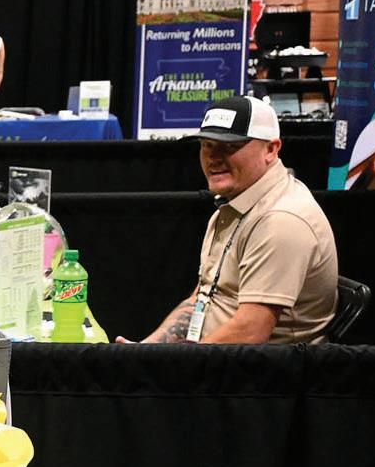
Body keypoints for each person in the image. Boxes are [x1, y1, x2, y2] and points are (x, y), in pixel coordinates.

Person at [136, 96, 337, 344]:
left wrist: (169, 362)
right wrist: (145, 350)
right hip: (212, 357)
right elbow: (202, 296)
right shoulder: (235, 202)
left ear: (271, 150)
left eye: (230, 146)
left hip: (260, 365)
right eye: (207, 145)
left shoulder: (281, 220)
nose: (214, 158)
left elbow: (251, 331)